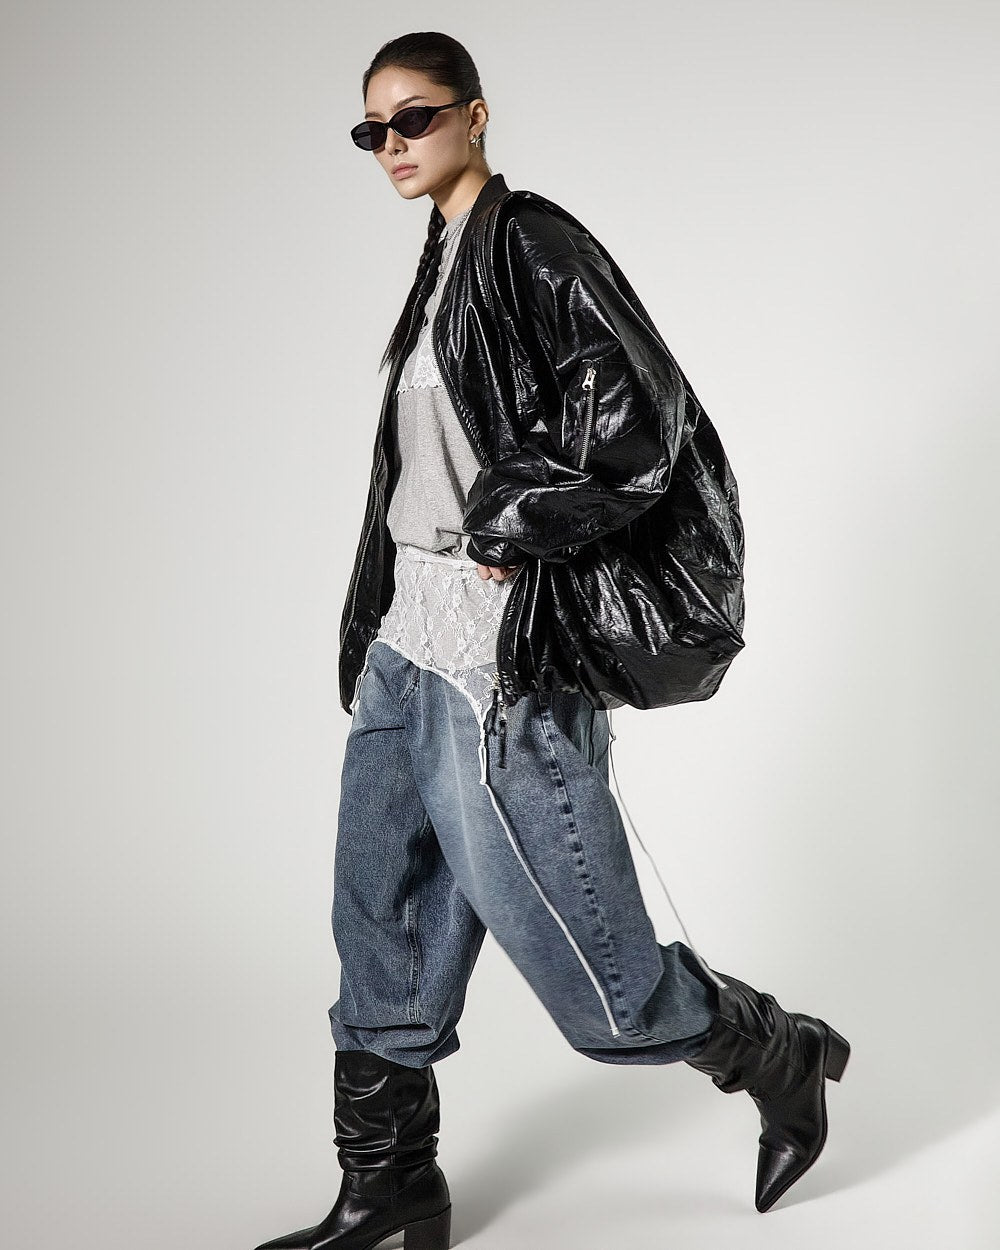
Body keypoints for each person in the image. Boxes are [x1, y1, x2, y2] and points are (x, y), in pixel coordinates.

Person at [253, 31, 850, 1250]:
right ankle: (388, 1187)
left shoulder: (530, 240)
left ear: (475, 115)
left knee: (604, 989)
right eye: (372, 130)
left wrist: (512, 520)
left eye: (414, 118)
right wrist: (385, 614)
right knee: (380, 934)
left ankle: (777, 1050)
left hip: (500, 664)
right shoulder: (441, 262)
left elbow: (639, 416)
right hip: (407, 646)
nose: (392, 145)